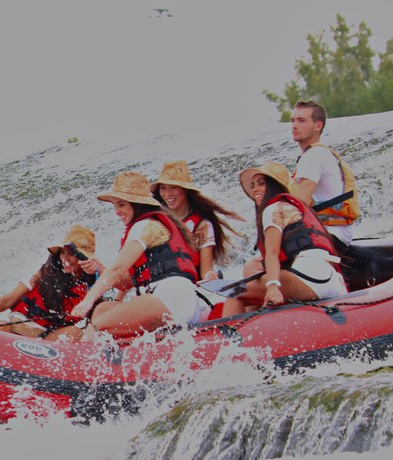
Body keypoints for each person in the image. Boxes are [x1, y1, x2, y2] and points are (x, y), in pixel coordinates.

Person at [69, 172, 201, 341]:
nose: (117, 211)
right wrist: (99, 269)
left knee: (98, 326)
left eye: (122, 205)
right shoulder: (146, 227)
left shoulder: (145, 226)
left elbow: (117, 269)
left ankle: (80, 361)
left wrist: (88, 300)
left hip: (173, 301)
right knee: (102, 310)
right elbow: (126, 283)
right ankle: (115, 359)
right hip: (174, 304)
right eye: (115, 206)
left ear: (137, 204)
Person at [222, 162, 347, 316]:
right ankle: (258, 326)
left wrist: (273, 286)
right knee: (252, 266)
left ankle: (230, 339)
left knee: (234, 292)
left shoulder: (273, 209)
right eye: (253, 185)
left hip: (310, 279)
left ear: (274, 186)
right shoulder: (291, 207)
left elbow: (273, 252)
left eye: (261, 184)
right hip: (330, 280)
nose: (255, 189)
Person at [0, 225, 103, 341]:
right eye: (62, 252)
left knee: (75, 332)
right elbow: (8, 300)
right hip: (16, 332)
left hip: (47, 340)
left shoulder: (91, 285)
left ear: (84, 258)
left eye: (71, 254)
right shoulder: (43, 274)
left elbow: (95, 320)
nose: (65, 258)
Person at [151, 160, 244, 281]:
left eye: (173, 187)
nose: (167, 194)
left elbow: (205, 271)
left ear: (185, 190)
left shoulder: (202, 226)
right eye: (163, 188)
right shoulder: (156, 221)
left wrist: (209, 276)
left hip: (187, 285)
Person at [290, 100, 360, 253]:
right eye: (293, 120)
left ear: (318, 126)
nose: (294, 125)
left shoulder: (313, 155)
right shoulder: (323, 153)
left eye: (301, 120)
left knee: (254, 266)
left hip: (328, 235)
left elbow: (298, 206)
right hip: (338, 234)